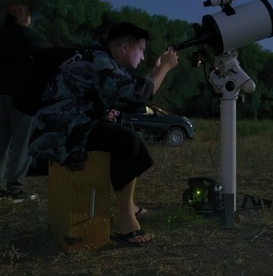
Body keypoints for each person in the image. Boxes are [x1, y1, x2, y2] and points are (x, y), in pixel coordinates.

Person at [30, 22, 179, 245]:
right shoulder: (101, 61)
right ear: (125, 47)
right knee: (128, 140)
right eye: (141, 50)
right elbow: (136, 95)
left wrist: (155, 70)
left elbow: (127, 94)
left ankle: (127, 206)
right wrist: (164, 68)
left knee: (122, 135)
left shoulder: (98, 58)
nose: (142, 56)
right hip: (64, 130)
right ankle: (124, 216)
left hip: (65, 125)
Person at [0, 2, 50, 201]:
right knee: (22, 143)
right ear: (27, 18)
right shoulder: (32, 38)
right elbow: (48, 61)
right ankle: (15, 187)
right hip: (24, 96)